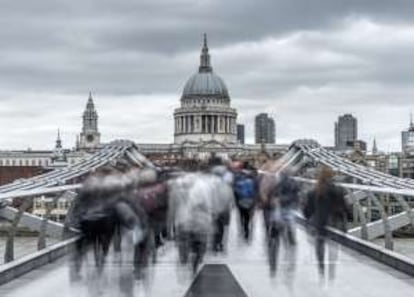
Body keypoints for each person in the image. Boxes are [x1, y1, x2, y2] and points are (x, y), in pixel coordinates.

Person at [303, 166, 351, 279]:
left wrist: (307, 217)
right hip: (335, 222)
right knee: (333, 246)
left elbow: (307, 210)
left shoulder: (314, 191)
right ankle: (332, 270)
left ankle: (321, 269)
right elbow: (345, 206)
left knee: (320, 245)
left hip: (320, 223)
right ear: (332, 176)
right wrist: (349, 217)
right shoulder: (338, 190)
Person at [233, 162, 258, 241]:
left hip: (241, 201)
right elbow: (255, 191)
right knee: (247, 217)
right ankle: (247, 231)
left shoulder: (239, 178)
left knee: (241, 215)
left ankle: (243, 228)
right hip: (250, 201)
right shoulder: (252, 179)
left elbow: (235, 190)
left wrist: (236, 201)